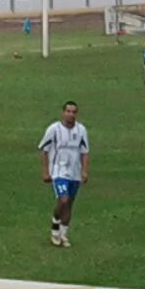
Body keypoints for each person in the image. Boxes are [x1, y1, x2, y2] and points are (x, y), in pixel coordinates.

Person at [38, 101, 90, 248]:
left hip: (74, 172)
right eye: (68, 111)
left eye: (73, 112)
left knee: (70, 204)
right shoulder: (54, 129)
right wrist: (46, 171)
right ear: (63, 112)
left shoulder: (81, 130)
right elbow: (44, 150)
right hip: (58, 171)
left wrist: (84, 171)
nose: (71, 114)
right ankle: (55, 225)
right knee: (63, 199)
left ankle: (63, 235)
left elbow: (85, 152)